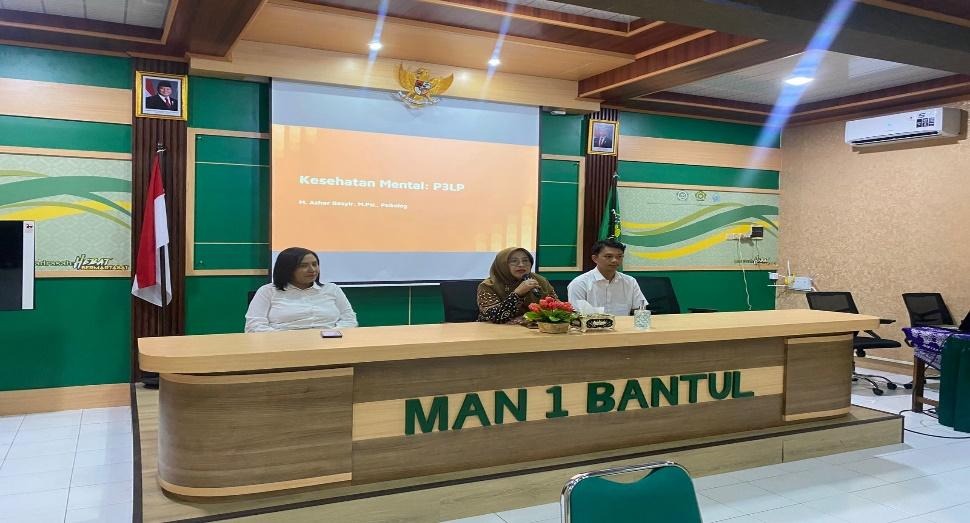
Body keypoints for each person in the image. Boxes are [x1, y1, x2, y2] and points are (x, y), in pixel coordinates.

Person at [245, 247, 357, 332]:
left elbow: (349, 320)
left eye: (315, 264)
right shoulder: (267, 291)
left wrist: (331, 334)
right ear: (287, 269)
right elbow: (254, 326)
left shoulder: (332, 289)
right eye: (303, 266)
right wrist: (286, 339)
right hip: (283, 346)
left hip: (329, 343)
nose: (312, 270)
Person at [477, 247, 557, 324]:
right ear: (503, 265)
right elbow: (494, 317)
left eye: (525, 260)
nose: (521, 264)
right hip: (494, 330)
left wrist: (528, 318)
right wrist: (517, 294)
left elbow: (558, 310)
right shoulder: (488, 286)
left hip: (534, 329)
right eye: (514, 261)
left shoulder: (540, 281)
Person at [567, 239, 647, 316]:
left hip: (623, 325)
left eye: (619, 256)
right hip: (591, 325)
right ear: (595, 258)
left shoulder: (630, 282)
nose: (615, 260)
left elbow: (640, 309)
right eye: (608, 256)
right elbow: (576, 315)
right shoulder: (579, 283)